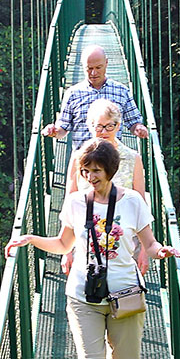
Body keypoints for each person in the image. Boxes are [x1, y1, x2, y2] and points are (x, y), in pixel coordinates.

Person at [4, 139, 179, 359]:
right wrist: (30, 239)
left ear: (110, 170)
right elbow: (63, 243)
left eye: (95, 170)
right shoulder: (74, 202)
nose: (89, 176)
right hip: (83, 295)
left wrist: (161, 252)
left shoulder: (132, 203)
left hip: (125, 294)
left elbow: (149, 243)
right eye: (85, 170)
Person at [62, 98, 149, 276]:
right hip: (87, 241)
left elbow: (141, 204)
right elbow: (70, 200)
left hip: (123, 242)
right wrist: (66, 251)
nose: (104, 132)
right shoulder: (79, 157)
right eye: (98, 126)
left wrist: (145, 250)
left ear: (119, 126)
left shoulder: (133, 158)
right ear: (89, 126)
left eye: (110, 126)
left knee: (123, 293)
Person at [40, 45, 149, 151]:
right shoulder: (72, 93)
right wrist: (54, 131)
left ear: (106, 63)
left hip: (111, 161)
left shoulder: (122, 91)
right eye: (89, 68)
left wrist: (139, 128)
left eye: (98, 67)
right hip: (83, 162)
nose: (94, 73)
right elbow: (63, 127)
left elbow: (134, 122)